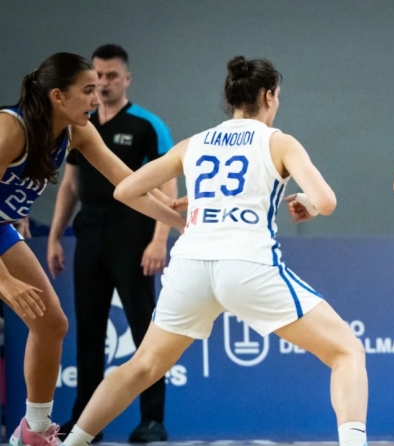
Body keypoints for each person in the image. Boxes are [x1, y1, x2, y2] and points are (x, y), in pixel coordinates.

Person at [60, 56, 369, 446]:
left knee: (143, 366)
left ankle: (71, 443)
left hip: (190, 266)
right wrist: (307, 203)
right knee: (346, 351)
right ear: (269, 96)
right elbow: (326, 201)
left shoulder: (195, 143)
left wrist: (179, 221)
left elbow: (125, 190)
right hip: (247, 264)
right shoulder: (279, 141)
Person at [0, 52, 183, 446]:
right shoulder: (10, 129)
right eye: (87, 90)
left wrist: (180, 219)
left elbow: (128, 182)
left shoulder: (76, 132)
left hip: (1, 230)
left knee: (52, 324)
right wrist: (5, 281)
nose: (96, 99)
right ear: (57, 96)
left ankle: (33, 431)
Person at [47, 44, 175, 443]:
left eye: (111, 76)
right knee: (88, 330)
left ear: (127, 79)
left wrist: (159, 239)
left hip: (133, 234)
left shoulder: (147, 125)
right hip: (89, 233)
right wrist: (55, 236)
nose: (103, 84)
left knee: (144, 327)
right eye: (97, 77)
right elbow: (70, 186)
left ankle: (152, 420)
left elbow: (168, 182)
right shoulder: (79, 124)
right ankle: (87, 422)